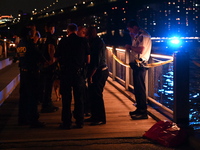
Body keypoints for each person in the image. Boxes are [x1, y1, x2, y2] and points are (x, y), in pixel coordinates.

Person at [55, 23, 90, 129]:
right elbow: (88, 60)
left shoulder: (63, 41)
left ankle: (66, 122)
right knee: (79, 98)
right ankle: (80, 121)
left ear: (68, 31)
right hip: (78, 73)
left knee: (66, 99)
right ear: (76, 30)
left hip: (66, 73)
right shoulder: (83, 41)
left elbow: (56, 57)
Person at [17, 26, 45, 128]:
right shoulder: (30, 45)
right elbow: (40, 57)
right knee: (33, 97)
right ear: (28, 34)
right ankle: (34, 120)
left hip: (23, 73)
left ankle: (22, 119)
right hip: (32, 73)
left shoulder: (20, 45)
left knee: (23, 97)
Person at [125, 19, 152, 120]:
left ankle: (143, 111)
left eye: (130, 29)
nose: (130, 32)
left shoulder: (143, 35)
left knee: (140, 88)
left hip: (140, 64)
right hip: (136, 64)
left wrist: (130, 47)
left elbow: (141, 50)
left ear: (135, 27)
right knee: (137, 88)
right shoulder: (137, 35)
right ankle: (139, 108)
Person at [84, 27, 109, 126]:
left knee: (97, 95)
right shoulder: (96, 41)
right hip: (97, 71)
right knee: (93, 95)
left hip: (99, 72)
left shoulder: (97, 43)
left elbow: (96, 61)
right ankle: (94, 116)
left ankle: (100, 118)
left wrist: (90, 76)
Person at [39, 23, 59, 113]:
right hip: (49, 65)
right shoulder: (51, 38)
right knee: (49, 85)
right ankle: (47, 105)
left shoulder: (42, 38)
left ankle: (45, 103)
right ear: (51, 28)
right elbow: (51, 49)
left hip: (43, 65)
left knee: (45, 85)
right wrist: (52, 60)